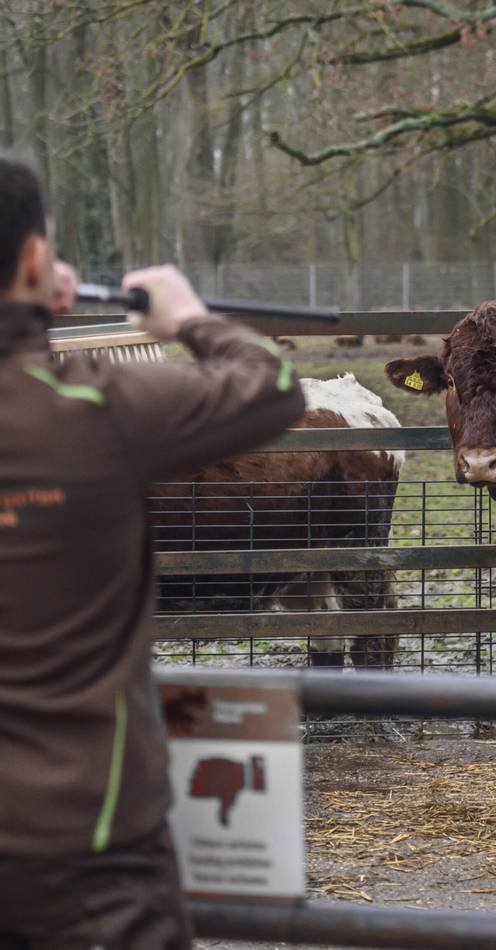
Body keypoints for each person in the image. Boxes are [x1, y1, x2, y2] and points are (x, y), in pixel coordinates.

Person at [0, 154, 306, 948]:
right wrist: (185, 317)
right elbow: (269, 384)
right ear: (35, 257)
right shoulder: (90, 404)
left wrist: (29, 313)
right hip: (84, 845)